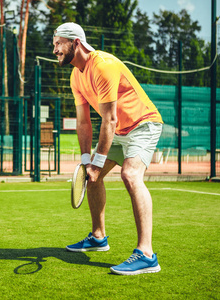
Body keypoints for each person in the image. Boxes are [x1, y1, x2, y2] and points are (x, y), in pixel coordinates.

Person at [53, 23, 163, 275]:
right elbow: (83, 121)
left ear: (76, 43)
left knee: (130, 174)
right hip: (119, 131)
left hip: (142, 123)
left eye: (59, 43)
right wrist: (86, 161)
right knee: (93, 177)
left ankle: (147, 254)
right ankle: (98, 237)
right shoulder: (75, 76)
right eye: (54, 44)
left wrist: (97, 160)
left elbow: (109, 119)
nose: (55, 49)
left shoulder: (103, 65)